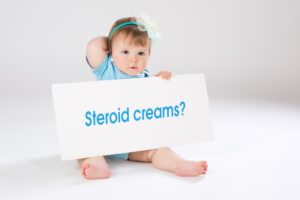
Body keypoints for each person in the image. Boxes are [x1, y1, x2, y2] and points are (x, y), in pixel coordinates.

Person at [79, 17, 208, 179]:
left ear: (149, 54)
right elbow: (93, 46)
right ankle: (98, 164)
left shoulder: (147, 79)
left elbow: (158, 105)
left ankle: (179, 164)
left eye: (141, 53)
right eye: (125, 52)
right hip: (103, 141)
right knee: (81, 147)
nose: (133, 59)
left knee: (157, 149)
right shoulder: (106, 70)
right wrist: (115, 39)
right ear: (110, 51)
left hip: (133, 145)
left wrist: (162, 82)